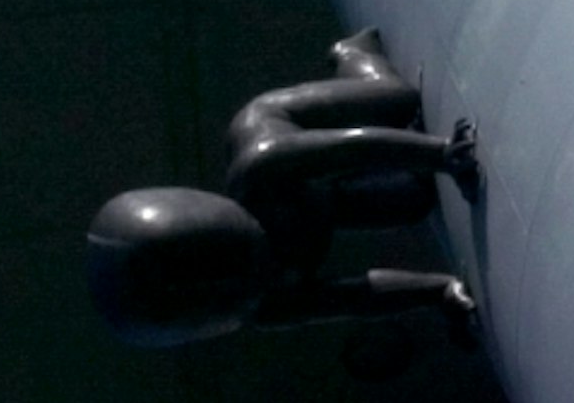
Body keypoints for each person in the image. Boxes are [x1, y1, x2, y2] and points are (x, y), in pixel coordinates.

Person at [86, 37, 478, 347]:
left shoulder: (263, 168)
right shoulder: (266, 304)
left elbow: (350, 146)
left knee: (395, 99)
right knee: (412, 200)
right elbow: (357, 297)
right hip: (319, 203)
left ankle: (351, 51)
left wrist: (443, 154)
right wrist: (440, 292)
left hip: (292, 121)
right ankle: (394, 162)